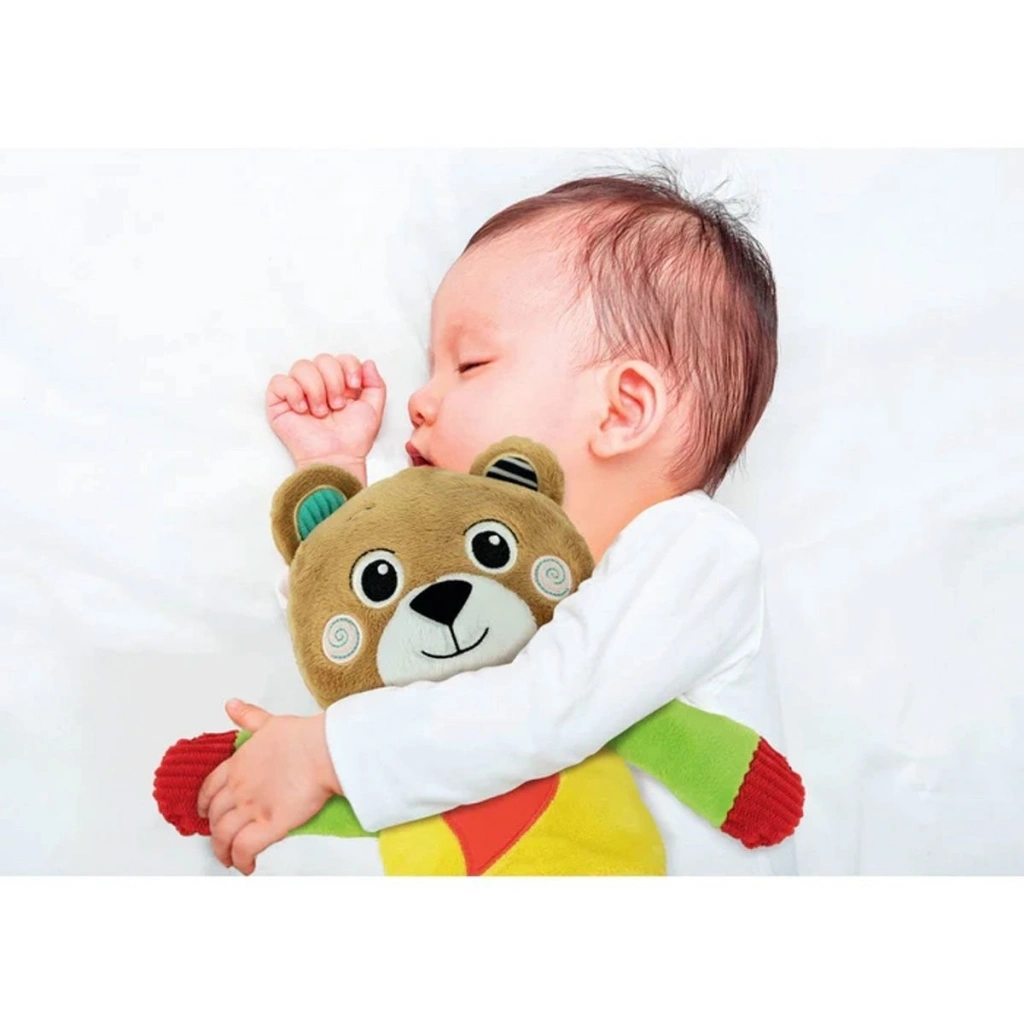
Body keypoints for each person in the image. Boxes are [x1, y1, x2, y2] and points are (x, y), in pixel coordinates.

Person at [197, 168, 797, 876]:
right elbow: (369, 652)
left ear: (622, 410)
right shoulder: (516, 595)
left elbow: (545, 709)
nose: (418, 401)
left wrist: (325, 753)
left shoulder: (695, 550)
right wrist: (341, 489)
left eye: (470, 363)